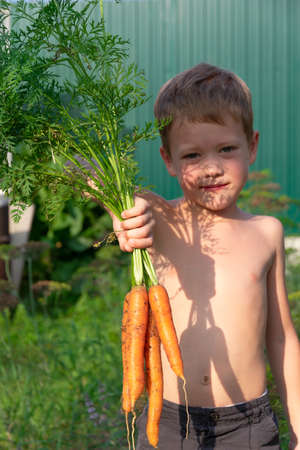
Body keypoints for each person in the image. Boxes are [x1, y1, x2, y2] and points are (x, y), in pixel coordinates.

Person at [111, 63, 300, 449]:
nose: (211, 168)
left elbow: (281, 338)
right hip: (167, 423)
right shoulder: (160, 216)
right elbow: (84, 173)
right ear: (168, 160)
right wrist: (119, 207)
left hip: (249, 425)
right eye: (193, 155)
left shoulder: (267, 232)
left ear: (253, 146)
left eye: (226, 149)